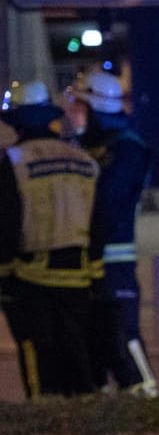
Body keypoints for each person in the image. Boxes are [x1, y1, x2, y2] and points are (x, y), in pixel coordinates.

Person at [0, 82, 99, 397]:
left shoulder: (14, 162)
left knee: (36, 349)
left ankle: (46, 412)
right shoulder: (84, 160)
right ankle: (82, 407)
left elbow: (7, 223)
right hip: (79, 275)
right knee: (76, 345)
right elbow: (100, 219)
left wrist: (4, 274)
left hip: (31, 277)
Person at [67, 69, 158, 396]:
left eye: (80, 106)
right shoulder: (88, 147)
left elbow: (107, 203)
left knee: (122, 332)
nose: (73, 114)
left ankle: (146, 393)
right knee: (94, 334)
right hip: (85, 258)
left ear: (96, 109)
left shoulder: (126, 149)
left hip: (114, 260)